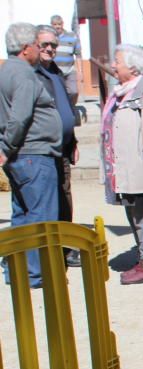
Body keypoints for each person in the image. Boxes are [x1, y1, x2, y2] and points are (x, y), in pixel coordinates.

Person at [99, 44, 143, 285]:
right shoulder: (122, 93)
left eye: (116, 61)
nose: (113, 65)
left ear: (131, 67)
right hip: (125, 169)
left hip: (142, 170)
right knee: (134, 214)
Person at [0, 22, 61, 289]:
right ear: (26, 49)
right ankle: (36, 275)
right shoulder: (24, 74)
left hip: (23, 155)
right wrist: (6, 148)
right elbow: (20, 117)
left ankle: (18, 271)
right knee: (40, 217)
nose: (40, 49)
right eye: (37, 45)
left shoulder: (8, 71)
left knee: (23, 215)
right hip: (33, 154)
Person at [36, 24, 80, 267]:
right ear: (34, 45)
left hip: (62, 147)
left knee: (64, 197)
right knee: (45, 200)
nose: (50, 49)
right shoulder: (31, 73)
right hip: (42, 149)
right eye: (45, 44)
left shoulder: (55, 71)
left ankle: (65, 246)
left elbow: (66, 107)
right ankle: (47, 252)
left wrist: (72, 139)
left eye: (53, 45)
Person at [50, 15, 81, 106]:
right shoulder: (50, 37)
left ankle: (71, 107)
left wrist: (80, 71)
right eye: (55, 24)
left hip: (69, 70)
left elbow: (78, 54)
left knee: (74, 92)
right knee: (56, 94)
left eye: (59, 24)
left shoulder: (72, 36)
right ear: (51, 25)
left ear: (63, 24)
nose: (57, 26)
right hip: (54, 71)